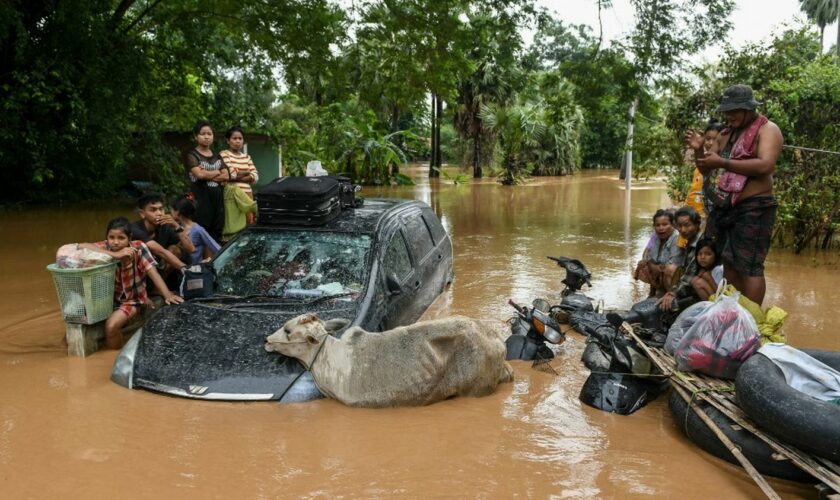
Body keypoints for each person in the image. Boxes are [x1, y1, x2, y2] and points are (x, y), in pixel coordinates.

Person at [685, 84, 783, 306]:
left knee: (750, 266)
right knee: (729, 261)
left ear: (749, 109)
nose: (729, 116)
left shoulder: (768, 130)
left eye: (734, 111)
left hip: (755, 207)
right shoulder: (726, 134)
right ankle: (733, 312)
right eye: (727, 112)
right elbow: (706, 168)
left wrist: (723, 162)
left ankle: (752, 318)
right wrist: (699, 149)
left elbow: (765, 165)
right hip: (727, 206)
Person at [78, 217, 183, 349]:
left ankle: (113, 360)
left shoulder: (139, 248)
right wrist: (114, 255)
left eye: (121, 238)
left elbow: (153, 272)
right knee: (74, 329)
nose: (115, 242)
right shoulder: (105, 248)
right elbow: (80, 246)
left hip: (132, 300)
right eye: (111, 237)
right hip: (108, 300)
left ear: (129, 239)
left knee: (111, 326)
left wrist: (167, 295)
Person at [186, 120, 229, 242]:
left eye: (209, 134)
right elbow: (199, 175)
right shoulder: (192, 155)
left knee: (216, 232)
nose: (206, 137)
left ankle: (213, 260)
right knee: (202, 232)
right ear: (196, 136)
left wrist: (206, 174)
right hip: (201, 201)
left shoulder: (217, 156)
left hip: (218, 202)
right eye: (203, 134)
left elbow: (226, 176)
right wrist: (216, 172)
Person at [132, 193, 194, 278]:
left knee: (176, 249)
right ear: (142, 214)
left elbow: (191, 249)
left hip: (159, 269)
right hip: (138, 273)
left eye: (161, 209)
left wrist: (176, 226)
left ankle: (156, 289)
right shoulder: (135, 229)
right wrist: (187, 269)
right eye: (153, 210)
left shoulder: (165, 227)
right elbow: (160, 251)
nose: (159, 213)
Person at [658, 207, 703, 311]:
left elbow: (690, 275)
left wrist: (672, 293)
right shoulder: (690, 241)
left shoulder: (699, 245)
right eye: (680, 226)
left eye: (687, 225)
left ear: (697, 225)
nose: (683, 230)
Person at [634, 209, 682, 297]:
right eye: (658, 225)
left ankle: (670, 295)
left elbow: (672, 264)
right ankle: (653, 292)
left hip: (672, 273)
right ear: (654, 226)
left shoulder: (676, 238)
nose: (661, 228)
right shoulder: (655, 235)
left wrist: (654, 266)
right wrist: (645, 260)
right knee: (642, 265)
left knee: (668, 270)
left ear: (672, 225)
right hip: (658, 266)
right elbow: (647, 250)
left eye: (665, 224)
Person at [685, 119, 725, 220]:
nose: (710, 143)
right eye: (708, 139)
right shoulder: (701, 165)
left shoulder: (727, 162)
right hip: (703, 216)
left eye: (715, 140)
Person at [219, 125, 259, 224]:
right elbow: (229, 174)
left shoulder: (247, 157)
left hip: (248, 195)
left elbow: (256, 176)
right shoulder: (224, 154)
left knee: (248, 223)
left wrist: (236, 175)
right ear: (228, 140)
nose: (238, 141)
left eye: (240, 138)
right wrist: (247, 173)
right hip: (233, 196)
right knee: (234, 224)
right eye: (234, 138)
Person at [170, 196, 221, 264]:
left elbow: (215, 247)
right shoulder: (175, 227)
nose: (171, 212)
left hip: (195, 269)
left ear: (178, 212)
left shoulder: (198, 230)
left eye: (172, 209)